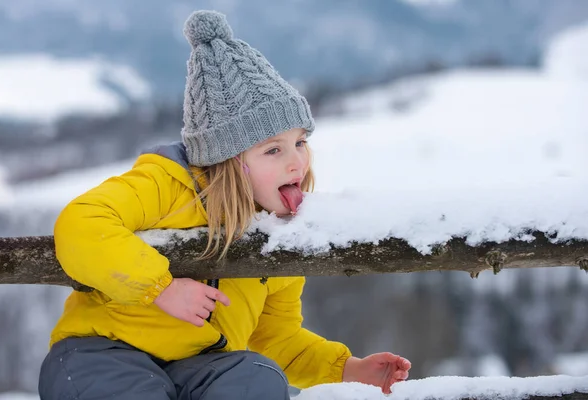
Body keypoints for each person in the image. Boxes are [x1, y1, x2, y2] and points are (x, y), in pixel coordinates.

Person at [38, 10, 411, 400]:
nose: (296, 162)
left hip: (201, 367)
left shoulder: (278, 231)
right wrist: (161, 289)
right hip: (103, 354)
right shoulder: (165, 185)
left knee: (257, 373)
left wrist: (347, 369)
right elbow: (81, 223)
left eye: (300, 143)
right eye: (273, 150)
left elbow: (274, 338)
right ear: (227, 159)